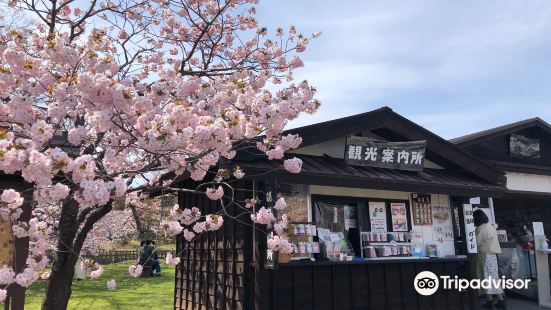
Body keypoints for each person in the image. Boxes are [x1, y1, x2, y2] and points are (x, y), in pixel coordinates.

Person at [474, 209, 506, 309]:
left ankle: (492, 303)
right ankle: (498, 302)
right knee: (493, 279)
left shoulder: (481, 228)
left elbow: (475, 243)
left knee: (486, 279)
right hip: (492, 256)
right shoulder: (490, 226)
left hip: (484, 256)